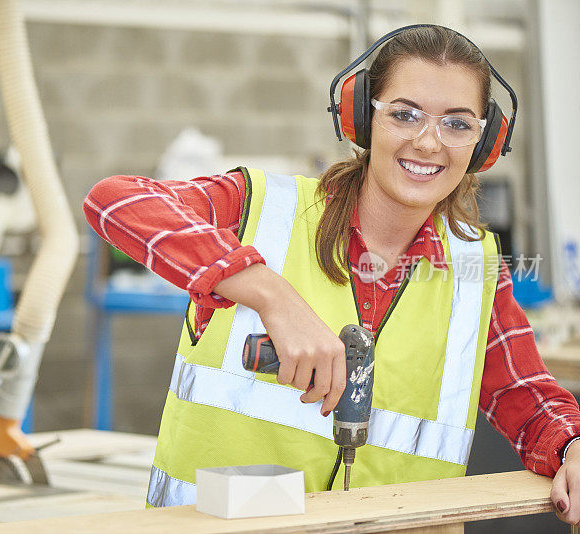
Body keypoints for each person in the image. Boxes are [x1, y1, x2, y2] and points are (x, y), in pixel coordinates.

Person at [83, 25, 580, 524]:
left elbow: (526, 395)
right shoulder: (264, 210)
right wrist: (271, 295)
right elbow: (116, 201)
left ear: (485, 141)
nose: (428, 142)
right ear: (361, 118)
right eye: (404, 114)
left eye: (457, 124)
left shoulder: (475, 268)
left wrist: (573, 445)